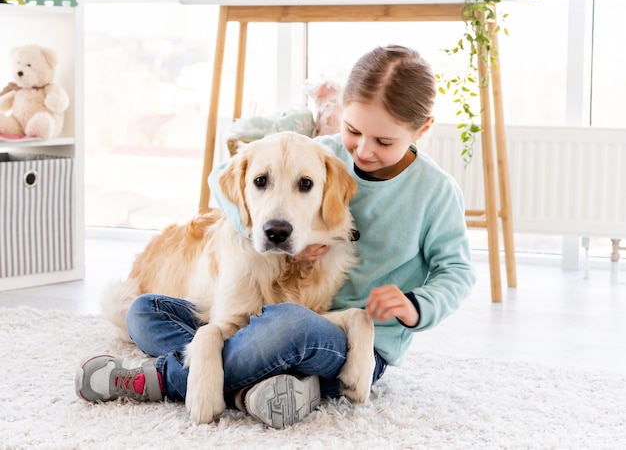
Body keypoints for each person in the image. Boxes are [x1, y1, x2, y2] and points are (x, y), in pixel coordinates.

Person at [75, 45, 476, 429]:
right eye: (353, 130)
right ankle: (254, 390)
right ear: (341, 114)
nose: (363, 151)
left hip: (354, 347)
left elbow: (456, 270)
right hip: (297, 306)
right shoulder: (325, 151)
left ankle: (165, 379)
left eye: (384, 142)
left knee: (287, 325)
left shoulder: (435, 193)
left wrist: (415, 305)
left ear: (422, 130)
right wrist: (254, 227)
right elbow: (227, 177)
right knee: (143, 309)